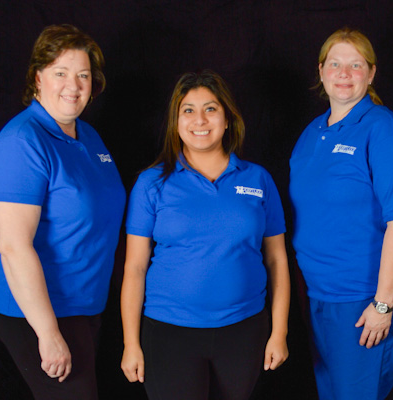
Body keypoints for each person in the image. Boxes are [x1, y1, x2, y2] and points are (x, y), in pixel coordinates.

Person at [120, 70, 291, 400]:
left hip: (244, 330)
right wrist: (130, 343)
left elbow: (277, 259)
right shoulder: (151, 183)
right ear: (176, 121)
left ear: (227, 120)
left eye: (211, 109)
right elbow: (135, 268)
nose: (200, 119)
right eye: (188, 110)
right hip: (169, 333)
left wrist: (279, 332)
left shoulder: (258, 179)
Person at [0, 24, 125, 400]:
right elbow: (12, 246)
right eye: (61, 73)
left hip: (83, 301)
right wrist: (47, 333)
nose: (73, 85)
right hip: (39, 309)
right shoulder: (23, 141)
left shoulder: (87, 135)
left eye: (83, 75)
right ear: (37, 78)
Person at [289, 28, 393, 399]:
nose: (344, 73)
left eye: (355, 65)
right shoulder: (311, 134)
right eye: (335, 63)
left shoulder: (383, 130)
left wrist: (382, 304)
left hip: (364, 299)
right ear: (321, 71)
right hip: (319, 296)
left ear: (371, 73)